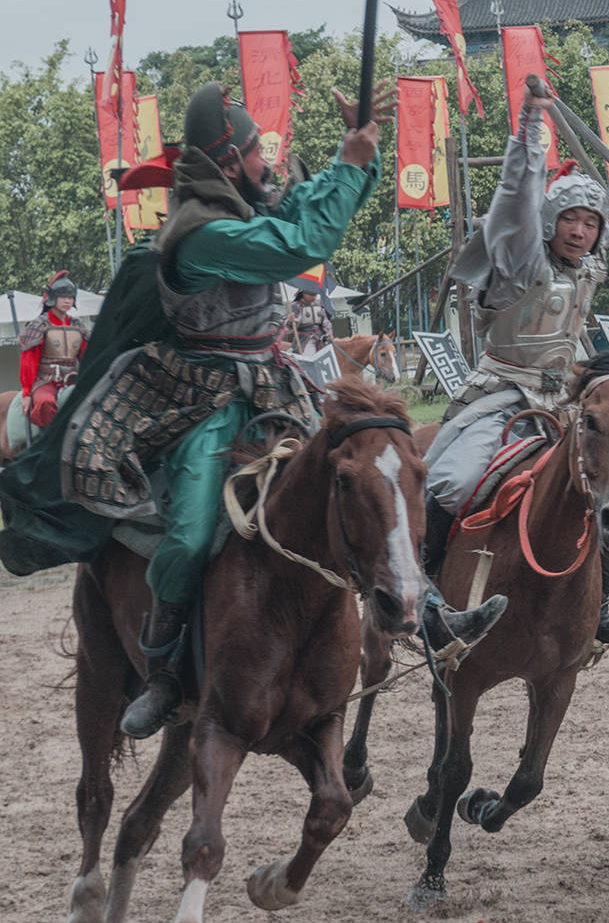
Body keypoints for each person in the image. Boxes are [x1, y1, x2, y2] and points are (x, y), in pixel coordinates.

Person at [18, 83, 502, 739]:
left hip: (275, 386)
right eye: (253, 153)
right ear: (224, 163)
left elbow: (306, 206)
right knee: (189, 534)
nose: (265, 164)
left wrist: (359, 152)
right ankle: (163, 670)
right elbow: (296, 245)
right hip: (202, 399)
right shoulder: (201, 234)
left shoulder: (247, 207)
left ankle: (429, 604)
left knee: (367, 479)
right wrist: (352, 161)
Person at [423, 82, 609, 647]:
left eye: (590, 222)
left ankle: (598, 602)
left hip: (562, 399)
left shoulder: (588, 268)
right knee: (451, 482)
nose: (579, 229)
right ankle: (426, 591)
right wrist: (530, 129)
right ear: (548, 221)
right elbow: (515, 198)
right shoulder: (521, 261)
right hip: (503, 393)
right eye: (569, 218)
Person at [16, 271, 89, 435]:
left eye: (70, 297)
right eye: (63, 297)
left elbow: (87, 358)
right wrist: (27, 392)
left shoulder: (78, 326)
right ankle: (47, 442)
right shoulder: (39, 325)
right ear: (52, 298)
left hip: (72, 380)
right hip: (45, 382)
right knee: (45, 402)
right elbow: (29, 361)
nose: (67, 300)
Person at [287, 289, 331, 355]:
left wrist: (329, 332)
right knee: (309, 353)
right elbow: (287, 325)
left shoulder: (319, 305)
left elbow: (325, 321)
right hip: (305, 338)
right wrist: (290, 321)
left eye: (315, 295)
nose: (314, 297)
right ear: (304, 293)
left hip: (321, 337)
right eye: (311, 295)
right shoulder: (295, 305)